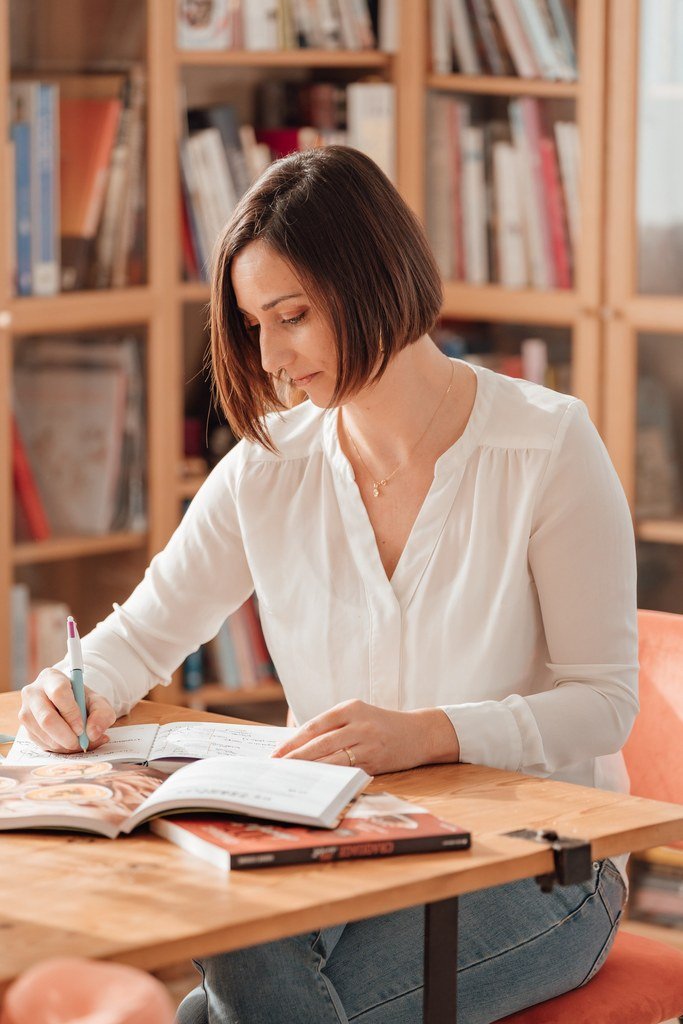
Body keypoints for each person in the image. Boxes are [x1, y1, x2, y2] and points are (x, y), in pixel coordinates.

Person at [19, 145, 638, 1024]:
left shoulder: (544, 447)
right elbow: (143, 634)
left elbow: (603, 705)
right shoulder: (269, 468)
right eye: (252, 325)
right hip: (345, 845)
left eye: (293, 315)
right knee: (231, 940)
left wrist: (426, 735)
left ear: (373, 279)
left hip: (540, 865)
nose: (270, 355)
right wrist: (75, 688)